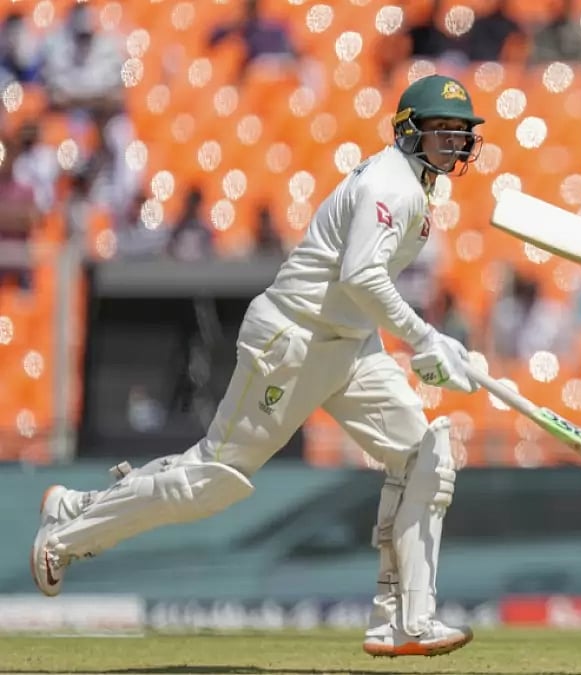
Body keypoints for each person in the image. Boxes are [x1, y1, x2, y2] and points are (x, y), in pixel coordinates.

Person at [31, 74, 487, 660]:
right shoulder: (391, 185)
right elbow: (361, 276)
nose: (452, 142)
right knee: (211, 480)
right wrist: (425, 338)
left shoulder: (413, 189)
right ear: (408, 132)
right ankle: (67, 534)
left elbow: (359, 288)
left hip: (350, 344)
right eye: (440, 130)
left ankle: (404, 621)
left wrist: (435, 345)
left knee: (425, 456)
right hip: (293, 339)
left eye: (459, 132)